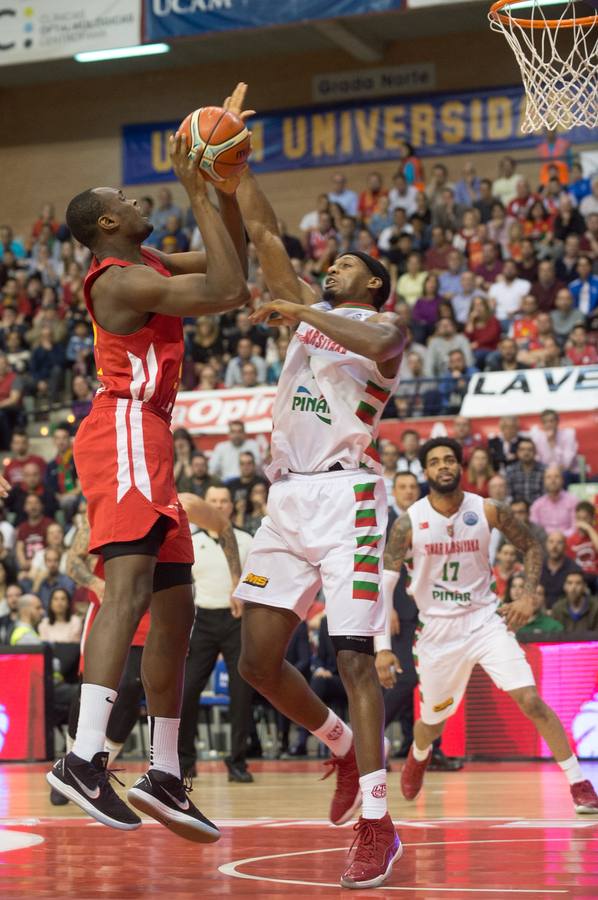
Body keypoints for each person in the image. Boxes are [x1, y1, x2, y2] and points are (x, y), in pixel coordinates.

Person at [46, 93, 250, 841]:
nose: (140, 200)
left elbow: (235, 257)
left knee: (176, 605)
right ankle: (83, 757)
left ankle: (164, 769)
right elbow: (228, 291)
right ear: (106, 223)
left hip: (153, 432)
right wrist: (196, 183)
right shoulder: (118, 278)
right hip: (124, 425)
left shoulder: (150, 259)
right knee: (128, 585)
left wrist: (221, 177)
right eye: (128, 199)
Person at [233, 141, 405, 885]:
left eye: (348, 267)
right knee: (258, 661)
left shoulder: (382, 334)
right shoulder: (310, 316)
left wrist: (303, 303)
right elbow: (268, 236)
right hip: (289, 498)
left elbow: (375, 334)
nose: (333, 267)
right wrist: (233, 164)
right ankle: (337, 745)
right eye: (330, 265)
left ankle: (378, 822)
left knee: (354, 657)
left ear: (375, 282)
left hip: (349, 500)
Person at [376, 437, 598, 814]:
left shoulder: (488, 509)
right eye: (435, 462)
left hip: (485, 622)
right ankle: (419, 753)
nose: (444, 466)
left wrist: (528, 596)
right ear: (425, 471)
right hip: (437, 632)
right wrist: (381, 646)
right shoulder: (407, 524)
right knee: (432, 723)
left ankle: (579, 782)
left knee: (531, 700)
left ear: (460, 468)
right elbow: (384, 587)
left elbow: (531, 546)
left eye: (450, 460)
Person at [177, 487, 255, 784]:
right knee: (187, 690)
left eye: (224, 501)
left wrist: (246, 592)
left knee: (241, 693)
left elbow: (261, 577)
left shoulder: (246, 540)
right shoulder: (191, 541)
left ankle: (237, 761)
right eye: (214, 501)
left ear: (232, 506)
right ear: (203, 506)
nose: (219, 506)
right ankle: (185, 761)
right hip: (202, 620)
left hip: (237, 618)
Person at [540, 531, 584, 609]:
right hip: (541, 611)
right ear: (546, 545)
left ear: (565, 546)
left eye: (559, 542)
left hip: (565, 613)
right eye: (551, 542)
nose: (554, 546)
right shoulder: (538, 567)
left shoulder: (574, 569)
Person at [530, 466, 577, 536]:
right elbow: (534, 529)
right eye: (548, 477)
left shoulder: (573, 501)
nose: (553, 480)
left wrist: (559, 536)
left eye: (556, 476)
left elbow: (576, 527)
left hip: (567, 541)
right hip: (544, 542)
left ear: (562, 480)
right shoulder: (537, 505)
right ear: (544, 482)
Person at [529, 410, 578, 475]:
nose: (549, 424)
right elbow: (537, 461)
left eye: (551, 421)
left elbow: (567, 463)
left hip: (567, 472)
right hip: (545, 473)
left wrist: (552, 443)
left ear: (557, 422)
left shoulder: (568, 435)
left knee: (564, 475)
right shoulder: (537, 437)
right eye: (545, 422)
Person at [566, 501, 598, 592]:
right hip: (579, 576)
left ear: (592, 519)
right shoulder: (570, 540)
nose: (581, 522)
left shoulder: (596, 534)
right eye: (579, 518)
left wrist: (589, 529)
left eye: (585, 518)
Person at [505, 438, 545, 505]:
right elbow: (509, 495)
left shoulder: (544, 470)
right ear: (517, 452)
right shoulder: (510, 471)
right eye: (522, 449)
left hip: (539, 510)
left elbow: (545, 495)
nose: (526, 453)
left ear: (535, 452)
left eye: (530, 450)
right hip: (516, 511)